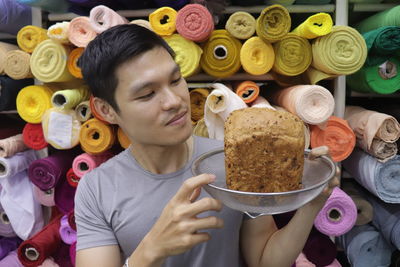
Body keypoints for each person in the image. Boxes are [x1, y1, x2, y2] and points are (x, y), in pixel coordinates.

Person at [74, 24, 339, 267]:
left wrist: (311, 205)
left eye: (176, 80)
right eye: (147, 94)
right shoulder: (96, 189)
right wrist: (151, 250)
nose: (174, 101)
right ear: (106, 110)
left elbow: (264, 260)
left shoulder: (232, 161)